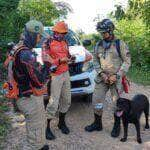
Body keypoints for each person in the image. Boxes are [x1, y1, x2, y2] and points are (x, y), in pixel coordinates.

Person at [84, 19, 131, 137]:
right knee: (96, 100)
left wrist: (117, 75)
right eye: (101, 33)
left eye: (104, 32)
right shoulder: (98, 45)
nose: (102, 35)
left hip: (116, 79)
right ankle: (97, 123)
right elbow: (95, 61)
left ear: (111, 31)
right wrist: (101, 73)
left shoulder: (120, 44)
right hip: (102, 78)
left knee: (117, 103)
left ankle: (116, 126)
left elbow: (127, 61)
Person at [12, 20, 50, 150]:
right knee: (35, 132)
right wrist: (48, 65)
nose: (39, 40)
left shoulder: (19, 47)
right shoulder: (25, 54)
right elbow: (39, 81)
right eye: (39, 36)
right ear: (32, 35)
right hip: (28, 99)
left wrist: (39, 67)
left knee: (37, 127)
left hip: (23, 94)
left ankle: (41, 145)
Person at [43, 21, 72, 140]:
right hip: (54, 75)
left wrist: (71, 58)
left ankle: (61, 122)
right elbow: (45, 59)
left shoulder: (65, 42)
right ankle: (46, 128)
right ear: (55, 32)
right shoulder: (48, 42)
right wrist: (59, 61)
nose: (62, 35)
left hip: (66, 73)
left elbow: (68, 56)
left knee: (67, 100)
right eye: (60, 33)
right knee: (53, 103)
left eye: (64, 33)